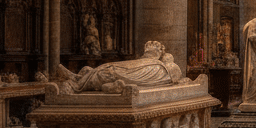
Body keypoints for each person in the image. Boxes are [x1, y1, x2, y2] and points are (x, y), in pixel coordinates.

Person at [53, 40, 184, 93]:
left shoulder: (167, 69)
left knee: (111, 71)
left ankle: (77, 81)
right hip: (136, 68)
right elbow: (136, 64)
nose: (167, 58)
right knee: (113, 68)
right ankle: (79, 77)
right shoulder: (155, 64)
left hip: (136, 72)